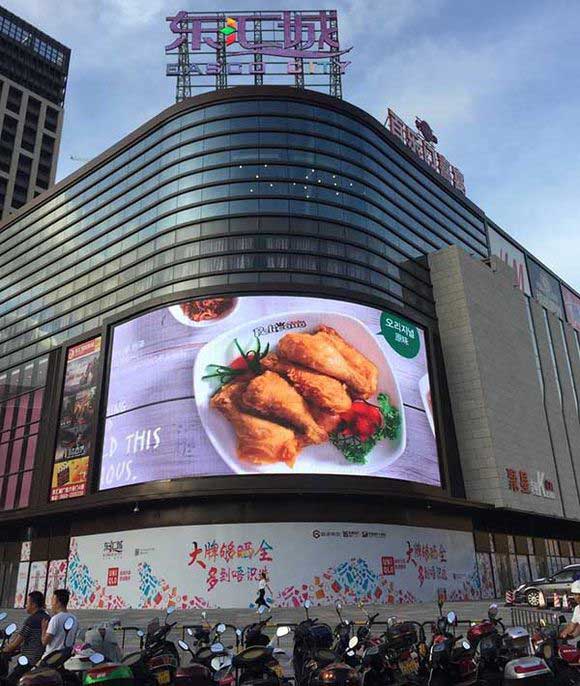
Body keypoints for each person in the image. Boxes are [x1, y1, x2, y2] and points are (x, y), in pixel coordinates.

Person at [2, 591, 50, 682]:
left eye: (27, 602)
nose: (26, 605)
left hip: (29, 660)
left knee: (9, 681)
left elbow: (14, 644)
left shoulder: (31, 620)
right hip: (41, 658)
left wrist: (4, 649)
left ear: (34, 604)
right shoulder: (47, 617)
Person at [41, 589, 79, 658]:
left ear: (58, 602)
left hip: (51, 657)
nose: (51, 604)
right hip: (65, 656)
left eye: (52, 600)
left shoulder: (55, 619)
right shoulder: (74, 619)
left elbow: (44, 642)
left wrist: (44, 628)